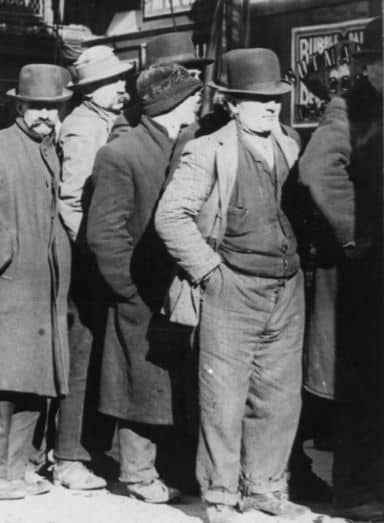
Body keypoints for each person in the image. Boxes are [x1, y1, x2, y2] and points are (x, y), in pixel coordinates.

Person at [155, 48, 309, 523]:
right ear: (231, 104)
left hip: (286, 288)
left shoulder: (288, 143)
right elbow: (170, 216)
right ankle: (221, 497)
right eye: (257, 99)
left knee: (280, 397)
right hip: (232, 287)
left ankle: (264, 487)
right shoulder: (207, 150)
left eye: (276, 99)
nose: (271, 107)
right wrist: (209, 273)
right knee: (222, 401)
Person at [0, 64, 73, 500]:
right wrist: (10, 253)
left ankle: (17, 469)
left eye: (53, 107)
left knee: (32, 385)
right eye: (36, 106)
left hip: (41, 291)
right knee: (0, 387)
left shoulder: (49, 149)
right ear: (19, 105)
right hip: (5, 289)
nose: (45, 114)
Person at [85, 64, 203, 503]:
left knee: (168, 382)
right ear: (170, 104)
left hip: (175, 288)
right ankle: (136, 474)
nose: (198, 103)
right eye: (191, 96)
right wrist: (128, 288)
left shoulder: (190, 144)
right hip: (138, 291)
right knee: (138, 383)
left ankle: (171, 469)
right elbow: (104, 233)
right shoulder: (121, 153)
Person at [299, 16, 384, 521]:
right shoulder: (347, 109)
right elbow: (318, 170)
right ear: (368, 66)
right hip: (365, 272)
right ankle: (355, 493)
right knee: (365, 383)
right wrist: (356, 232)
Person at [53, 45, 132, 491]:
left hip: (97, 255)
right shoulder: (83, 128)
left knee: (98, 355)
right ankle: (69, 456)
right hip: (86, 261)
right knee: (82, 358)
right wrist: (97, 252)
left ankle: (90, 448)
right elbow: (71, 201)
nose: (122, 88)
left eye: (122, 80)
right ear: (90, 90)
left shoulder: (107, 121)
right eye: (112, 82)